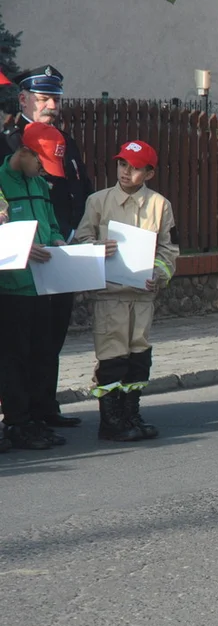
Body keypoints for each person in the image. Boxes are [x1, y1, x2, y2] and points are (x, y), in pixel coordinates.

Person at [3, 65, 94, 431]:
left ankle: (44, 406)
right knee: (20, 342)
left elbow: (79, 190)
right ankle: (21, 414)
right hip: (21, 258)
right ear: (24, 99)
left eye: (55, 98)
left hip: (59, 251)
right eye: (43, 98)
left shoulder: (64, 140)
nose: (51, 105)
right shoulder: (10, 141)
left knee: (51, 335)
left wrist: (72, 234)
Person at [74, 140, 178, 441]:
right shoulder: (98, 201)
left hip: (143, 294)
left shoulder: (160, 205)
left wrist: (159, 275)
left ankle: (131, 413)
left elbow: (169, 249)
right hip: (110, 294)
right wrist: (95, 248)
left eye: (134, 168)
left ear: (149, 173)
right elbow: (80, 239)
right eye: (122, 164)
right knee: (112, 357)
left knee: (138, 355)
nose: (125, 172)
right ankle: (110, 420)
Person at [0, 123, 68, 450]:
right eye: (40, 161)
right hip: (12, 289)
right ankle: (17, 422)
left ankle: (37, 417)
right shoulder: (1, 184)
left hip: (43, 285)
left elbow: (51, 221)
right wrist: (22, 249)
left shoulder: (40, 184)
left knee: (43, 352)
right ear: (23, 152)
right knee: (15, 358)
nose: (43, 170)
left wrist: (55, 237)